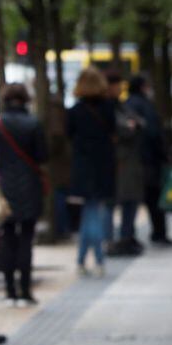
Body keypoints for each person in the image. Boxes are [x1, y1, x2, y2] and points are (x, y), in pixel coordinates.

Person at [0, 83, 48, 305]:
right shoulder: (33, 123)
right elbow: (42, 155)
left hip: (4, 186)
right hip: (29, 185)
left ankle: (9, 290)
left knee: (7, 238)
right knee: (26, 238)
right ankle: (25, 289)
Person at [67, 66, 117, 277]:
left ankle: (82, 261)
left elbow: (69, 136)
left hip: (82, 167)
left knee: (89, 214)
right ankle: (97, 260)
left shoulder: (74, 111)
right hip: (103, 166)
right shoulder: (108, 108)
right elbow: (114, 133)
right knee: (93, 213)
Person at [125, 74, 170, 246]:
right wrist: (163, 153)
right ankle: (158, 232)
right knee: (153, 197)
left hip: (135, 159)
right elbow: (153, 134)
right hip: (148, 159)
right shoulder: (145, 105)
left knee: (136, 198)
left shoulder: (128, 104)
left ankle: (130, 233)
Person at [104, 71, 145, 257]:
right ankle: (112, 241)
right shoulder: (107, 107)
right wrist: (130, 127)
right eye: (117, 85)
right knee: (111, 203)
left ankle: (124, 238)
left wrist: (132, 125)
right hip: (117, 161)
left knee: (129, 201)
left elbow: (139, 123)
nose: (120, 89)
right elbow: (126, 127)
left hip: (126, 161)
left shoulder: (121, 105)